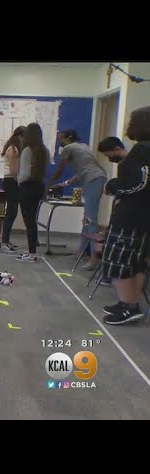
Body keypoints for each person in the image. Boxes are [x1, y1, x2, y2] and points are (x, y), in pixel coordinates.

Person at [101, 107, 150, 325]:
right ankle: (129, 303)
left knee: (117, 261)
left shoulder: (141, 150)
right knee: (136, 262)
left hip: (130, 216)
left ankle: (129, 306)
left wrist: (117, 188)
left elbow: (139, 183)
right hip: (144, 217)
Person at [48, 129, 108, 270]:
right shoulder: (83, 147)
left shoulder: (68, 148)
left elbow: (60, 169)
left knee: (90, 220)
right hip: (96, 178)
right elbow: (82, 172)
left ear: (69, 137)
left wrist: (49, 184)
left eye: (61, 138)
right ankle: (81, 252)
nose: (60, 142)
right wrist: (65, 184)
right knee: (87, 219)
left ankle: (94, 259)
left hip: (94, 180)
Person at [96, 136, 129, 286]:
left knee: (117, 241)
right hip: (122, 207)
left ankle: (110, 275)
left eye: (109, 155)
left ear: (117, 149)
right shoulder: (123, 164)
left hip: (129, 211)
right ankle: (108, 273)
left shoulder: (129, 164)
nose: (109, 159)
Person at [15, 123, 50, 263]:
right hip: (39, 186)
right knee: (32, 221)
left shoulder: (27, 151)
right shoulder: (44, 150)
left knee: (28, 222)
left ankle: (32, 254)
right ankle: (32, 251)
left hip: (27, 187)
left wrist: (18, 180)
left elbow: (24, 174)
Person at [0, 126, 25, 252]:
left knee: (12, 211)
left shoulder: (14, 148)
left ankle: (6, 240)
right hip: (11, 181)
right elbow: (13, 170)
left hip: (12, 181)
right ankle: (4, 241)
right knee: (11, 212)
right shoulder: (13, 149)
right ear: (20, 136)